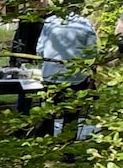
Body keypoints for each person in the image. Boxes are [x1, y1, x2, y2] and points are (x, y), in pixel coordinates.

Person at [35, 9, 97, 139]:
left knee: (47, 113)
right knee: (72, 116)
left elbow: (40, 49)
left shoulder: (50, 22)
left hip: (51, 74)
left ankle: (43, 147)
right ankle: (67, 152)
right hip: (76, 77)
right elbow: (92, 52)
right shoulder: (85, 23)